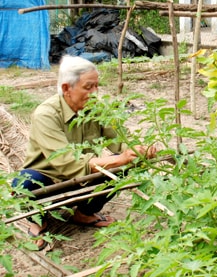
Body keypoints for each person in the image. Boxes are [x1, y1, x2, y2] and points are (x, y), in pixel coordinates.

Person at [12, 55, 156, 250]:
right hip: (48, 179)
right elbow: (66, 162)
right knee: (23, 183)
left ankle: (84, 213)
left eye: (97, 86)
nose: (95, 93)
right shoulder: (46, 114)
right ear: (66, 88)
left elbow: (120, 141)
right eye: (88, 87)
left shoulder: (96, 108)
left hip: (83, 177)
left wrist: (137, 150)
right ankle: (38, 220)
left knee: (123, 166)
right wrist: (119, 159)